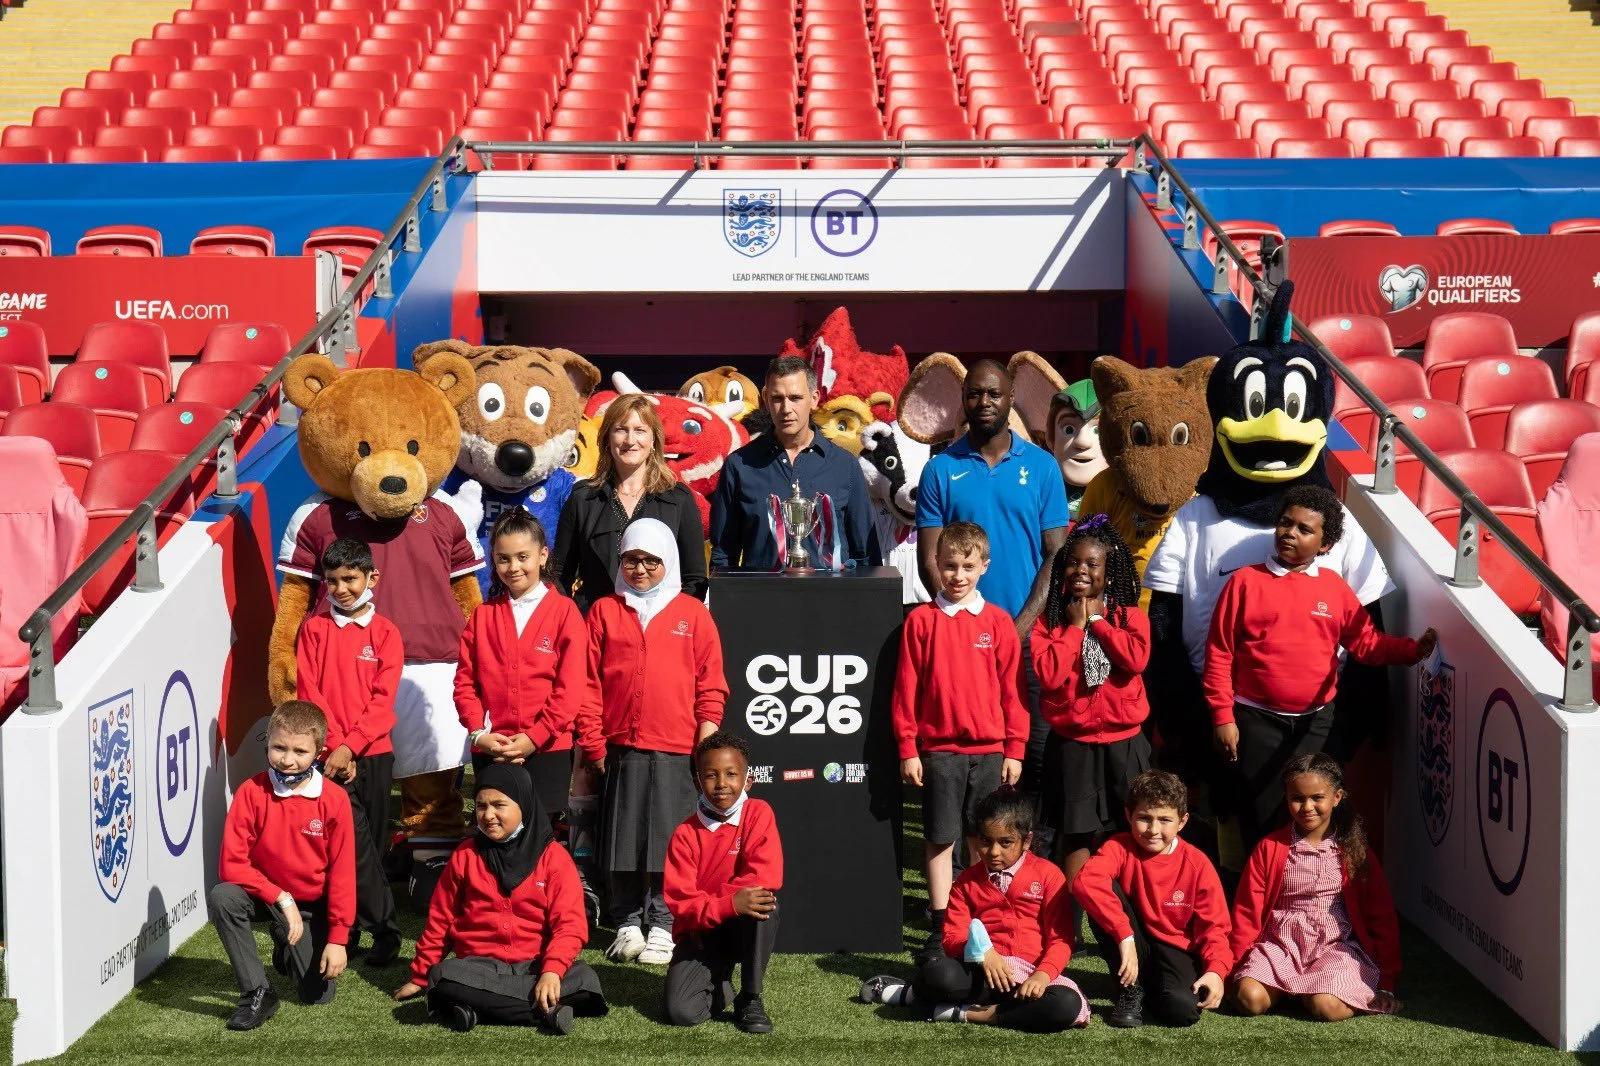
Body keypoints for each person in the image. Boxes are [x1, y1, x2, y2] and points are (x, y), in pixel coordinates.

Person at [1203, 486, 1436, 849]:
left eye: (1303, 529)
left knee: (1311, 823)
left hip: (1316, 725)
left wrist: (1412, 651)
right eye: (1285, 523)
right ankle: (1262, 902)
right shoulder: (1244, 582)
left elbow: (1368, 644)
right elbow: (1219, 654)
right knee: (1261, 822)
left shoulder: (1335, 588)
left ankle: (1306, 899)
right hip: (1255, 721)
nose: (1290, 533)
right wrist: (1223, 717)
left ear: (1325, 545)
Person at [915, 359, 1069, 793]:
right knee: (974, 759)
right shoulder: (941, 469)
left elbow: (1055, 555)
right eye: (975, 394)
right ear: (964, 400)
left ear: (1011, 399)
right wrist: (965, 622)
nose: (984, 402)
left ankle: (1032, 856)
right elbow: (931, 559)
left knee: (1033, 756)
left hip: (1028, 636)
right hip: (964, 638)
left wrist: (1017, 629)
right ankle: (969, 857)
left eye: (993, 394)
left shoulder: (1042, 467)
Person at [584, 518, 729, 967]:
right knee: (623, 839)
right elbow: (587, 684)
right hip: (621, 747)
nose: (641, 569)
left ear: (669, 560)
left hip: (677, 749)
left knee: (670, 841)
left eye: (651, 560)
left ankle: (664, 923)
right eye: (631, 560)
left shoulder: (693, 613)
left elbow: (711, 687)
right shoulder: (605, 611)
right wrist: (594, 744)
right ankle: (627, 921)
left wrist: (704, 749)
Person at [891, 521, 1027, 956]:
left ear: (984, 566)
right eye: (950, 565)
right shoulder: (921, 622)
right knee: (939, 836)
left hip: (989, 752)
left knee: (981, 839)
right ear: (935, 564)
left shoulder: (999, 622)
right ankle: (940, 923)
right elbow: (905, 690)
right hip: (940, 752)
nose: (958, 575)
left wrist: (1015, 748)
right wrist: (908, 749)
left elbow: (1014, 694)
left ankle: (978, 920)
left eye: (968, 566)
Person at [393, 763, 608, 1033]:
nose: (488, 815)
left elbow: (570, 925)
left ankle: (474, 1010)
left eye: (499, 805)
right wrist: (422, 975)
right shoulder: (466, 855)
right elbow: (441, 921)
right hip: (478, 967)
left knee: (585, 979)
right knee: (442, 977)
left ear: (524, 805)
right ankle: (546, 1012)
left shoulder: (554, 858)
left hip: (536, 967)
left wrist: (552, 970)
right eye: (481, 806)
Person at [860, 789, 1088, 1032]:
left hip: (1031, 977)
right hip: (982, 975)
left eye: (1006, 842)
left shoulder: (1049, 875)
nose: (993, 852)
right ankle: (914, 994)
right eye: (985, 841)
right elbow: (951, 937)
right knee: (937, 975)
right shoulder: (966, 882)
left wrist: (1042, 975)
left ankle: (961, 1013)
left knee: (1066, 1004)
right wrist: (983, 954)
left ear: (1027, 841)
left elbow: (1061, 940)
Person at [208, 701, 353, 1031]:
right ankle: (257, 991)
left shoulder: (334, 799)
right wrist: (281, 898)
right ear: (268, 742)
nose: (288, 760)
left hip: (310, 906)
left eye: (300, 751)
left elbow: (343, 875)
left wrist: (338, 939)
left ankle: (285, 945)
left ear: (319, 750)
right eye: (279, 748)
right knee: (223, 896)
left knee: (318, 995)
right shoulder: (251, 792)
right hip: (267, 897)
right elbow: (231, 866)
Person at [294, 537, 404, 966]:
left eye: (350, 579)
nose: (340, 588)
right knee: (336, 847)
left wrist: (351, 746)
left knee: (372, 847)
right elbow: (310, 692)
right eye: (333, 580)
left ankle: (383, 931)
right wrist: (335, 749)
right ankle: (347, 927)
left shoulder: (386, 633)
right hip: (328, 758)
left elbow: (383, 701)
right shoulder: (314, 628)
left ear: (371, 577)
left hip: (373, 754)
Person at [1231, 753, 1401, 1022]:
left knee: (1327, 1008)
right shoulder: (1269, 847)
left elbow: (1381, 917)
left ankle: (1313, 991)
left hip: (1334, 947)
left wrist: (1387, 981)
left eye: (1317, 798)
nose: (1307, 807)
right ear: (1286, 799)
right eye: (1297, 798)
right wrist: (1233, 965)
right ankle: (1290, 988)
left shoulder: (1355, 852)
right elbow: (1246, 911)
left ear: (1337, 797)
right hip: (1280, 945)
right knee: (1249, 999)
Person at [1031, 514, 1152, 887]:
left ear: (1109, 572)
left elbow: (1135, 659)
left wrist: (1099, 623)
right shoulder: (1049, 623)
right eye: (1073, 562)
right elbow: (1049, 676)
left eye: (1091, 564)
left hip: (1125, 743)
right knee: (1076, 835)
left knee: (1133, 832)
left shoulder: (1129, 617)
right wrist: (1073, 629)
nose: (1080, 570)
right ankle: (1074, 921)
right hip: (1075, 745)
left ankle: (1130, 918)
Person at [455, 507, 591, 816]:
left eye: (522, 557)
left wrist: (535, 738)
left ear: (542, 555)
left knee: (541, 838)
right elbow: (465, 683)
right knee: (497, 833)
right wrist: (478, 734)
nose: (513, 567)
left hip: (548, 749)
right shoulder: (483, 615)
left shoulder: (564, 612)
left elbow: (569, 690)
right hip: (493, 748)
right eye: (503, 559)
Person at [1070, 771, 1231, 1029]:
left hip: (1175, 948)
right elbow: (1085, 882)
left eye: (1165, 820)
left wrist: (1216, 970)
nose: (1153, 830)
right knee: (1100, 886)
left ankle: (1148, 987)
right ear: (1128, 816)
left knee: (1181, 1012)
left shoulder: (1197, 863)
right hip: (1131, 939)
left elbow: (1215, 927)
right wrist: (1124, 936)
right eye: (1144, 818)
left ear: (1182, 821)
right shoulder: (1118, 847)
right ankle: (1130, 991)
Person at [663, 731, 784, 1035]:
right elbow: (680, 902)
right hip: (702, 932)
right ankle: (722, 980)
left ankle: (750, 998)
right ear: (697, 781)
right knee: (682, 1013)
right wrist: (726, 903)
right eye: (711, 775)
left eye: (731, 774)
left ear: (748, 780)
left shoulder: (758, 813)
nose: (721, 784)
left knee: (762, 900)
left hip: (741, 923)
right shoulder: (684, 833)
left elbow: (765, 877)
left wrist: (723, 905)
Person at [710, 355, 878, 571]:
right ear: (765, 399)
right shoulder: (739, 465)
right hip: (761, 600)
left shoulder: (845, 465)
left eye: (796, 398)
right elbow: (724, 553)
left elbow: (865, 552)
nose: (786, 408)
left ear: (814, 398)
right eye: (777, 398)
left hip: (832, 601)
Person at [553, 393, 708, 613]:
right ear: (607, 438)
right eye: (621, 429)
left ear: (654, 439)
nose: (629, 440)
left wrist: (669, 624)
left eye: (640, 430)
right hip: (595, 632)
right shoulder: (582, 499)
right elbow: (560, 575)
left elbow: (695, 579)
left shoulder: (678, 500)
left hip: (657, 634)